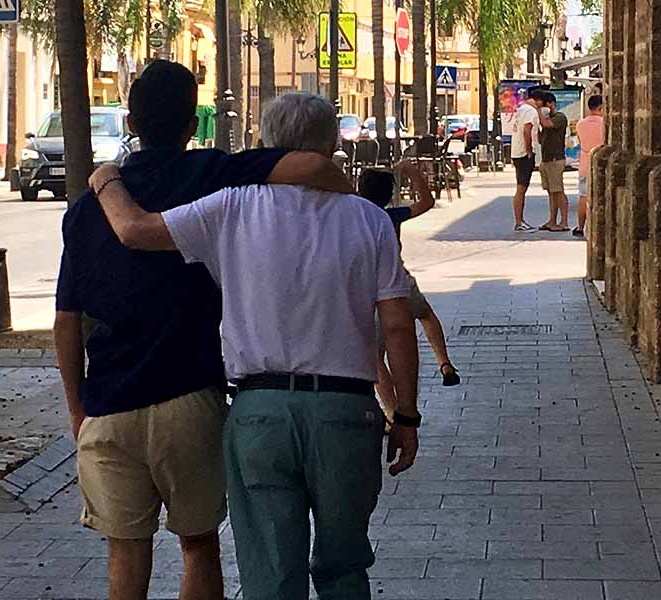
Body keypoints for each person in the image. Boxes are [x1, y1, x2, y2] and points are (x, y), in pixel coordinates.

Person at [87, 92, 422, 600]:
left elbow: (135, 232)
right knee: (345, 564)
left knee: (269, 573)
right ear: (330, 144)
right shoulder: (369, 220)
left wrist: (107, 181)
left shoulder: (232, 208)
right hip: (345, 412)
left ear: (266, 143)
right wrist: (405, 414)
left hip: (259, 410)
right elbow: (397, 327)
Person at [53, 61, 350, 600]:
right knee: (198, 543)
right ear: (194, 124)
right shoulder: (212, 174)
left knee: (125, 550)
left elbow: (67, 320)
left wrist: (78, 409)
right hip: (190, 395)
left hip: (107, 405)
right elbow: (314, 165)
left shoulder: (85, 210)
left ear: (130, 120)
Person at [357, 164, 460, 422]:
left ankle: (392, 411)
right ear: (390, 194)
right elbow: (427, 202)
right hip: (401, 280)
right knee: (425, 314)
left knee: (375, 356)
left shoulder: (356, 216)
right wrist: (412, 172)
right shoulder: (392, 215)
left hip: (372, 289)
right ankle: (444, 362)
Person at [538, 91, 571, 232]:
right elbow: (541, 138)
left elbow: (547, 124)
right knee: (551, 192)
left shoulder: (559, 117)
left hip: (555, 159)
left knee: (558, 191)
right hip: (546, 159)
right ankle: (552, 220)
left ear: (551, 104)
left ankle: (564, 222)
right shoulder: (545, 120)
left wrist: (538, 112)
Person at [510, 89, 542, 232]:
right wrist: (529, 150)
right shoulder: (531, 111)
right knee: (521, 188)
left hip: (516, 152)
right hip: (523, 153)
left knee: (521, 187)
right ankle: (519, 221)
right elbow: (527, 131)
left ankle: (519, 220)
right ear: (538, 101)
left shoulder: (521, 109)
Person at [575, 94, 605, 237]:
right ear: (601, 108)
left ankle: (580, 227)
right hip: (601, 164)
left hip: (585, 165)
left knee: (583, 196)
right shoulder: (604, 123)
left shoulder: (580, 124)